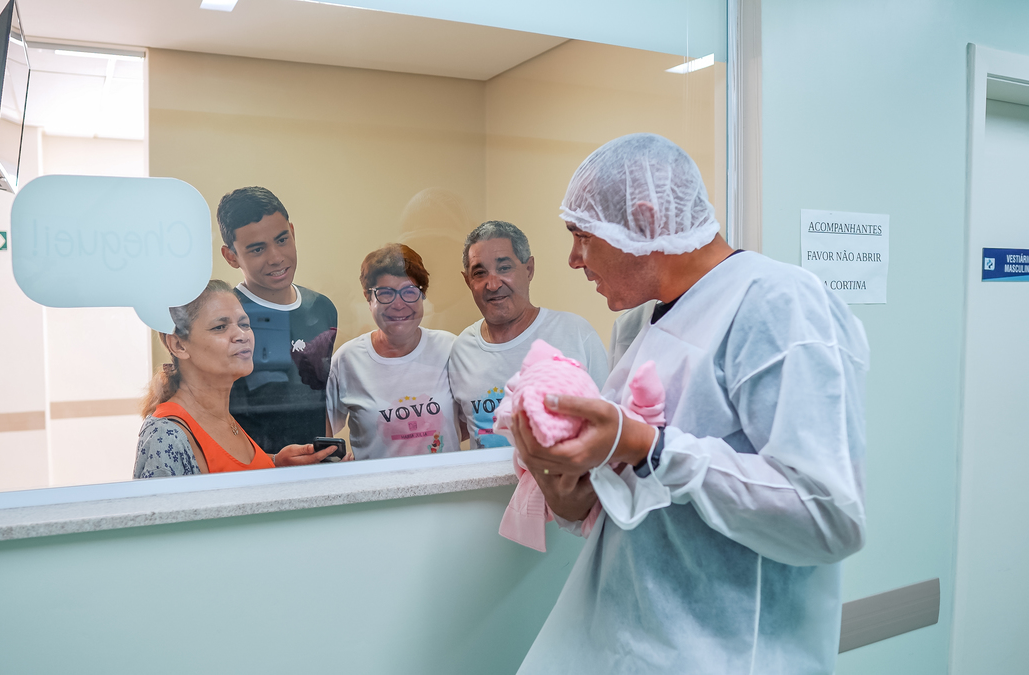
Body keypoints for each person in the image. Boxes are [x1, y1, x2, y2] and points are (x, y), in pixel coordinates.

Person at [510, 133, 869, 673]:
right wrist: (568, 490)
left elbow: (829, 516)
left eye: (581, 236)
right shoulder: (637, 322)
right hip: (626, 637)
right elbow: (635, 505)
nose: (573, 259)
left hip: (726, 652)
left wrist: (651, 448)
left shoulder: (778, 303)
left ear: (645, 219)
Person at [134, 280, 342, 479]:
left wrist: (275, 464)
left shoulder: (222, 417)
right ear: (179, 345)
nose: (242, 335)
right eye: (220, 327)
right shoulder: (166, 435)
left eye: (244, 324)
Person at [448, 220, 609, 449]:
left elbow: (609, 420)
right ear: (468, 281)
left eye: (504, 268)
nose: (492, 284)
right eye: (480, 273)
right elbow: (457, 427)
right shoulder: (462, 350)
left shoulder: (575, 333)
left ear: (529, 269)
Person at [217, 187, 339, 454]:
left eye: (282, 240)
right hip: (250, 473)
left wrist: (328, 456)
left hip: (314, 469)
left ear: (292, 233)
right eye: (257, 249)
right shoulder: (223, 321)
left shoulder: (322, 308)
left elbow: (319, 399)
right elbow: (211, 421)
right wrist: (272, 463)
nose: (276, 257)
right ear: (231, 257)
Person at [326, 244, 461, 460]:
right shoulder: (348, 361)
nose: (399, 304)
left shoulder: (450, 349)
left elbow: (469, 421)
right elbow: (321, 438)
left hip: (447, 481)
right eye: (386, 293)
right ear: (368, 297)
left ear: (423, 295)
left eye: (409, 292)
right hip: (376, 483)